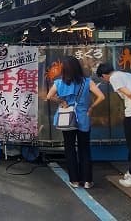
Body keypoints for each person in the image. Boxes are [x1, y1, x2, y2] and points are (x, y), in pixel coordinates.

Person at [46, 56, 105, 189]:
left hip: (67, 118)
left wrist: (62, 102)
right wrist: (91, 107)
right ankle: (88, 181)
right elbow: (101, 96)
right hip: (83, 118)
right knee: (84, 149)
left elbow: (49, 96)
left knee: (70, 148)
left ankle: (74, 180)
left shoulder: (59, 83)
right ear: (78, 67)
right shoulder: (87, 82)